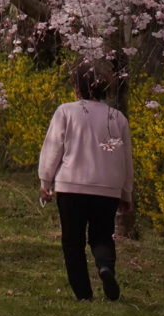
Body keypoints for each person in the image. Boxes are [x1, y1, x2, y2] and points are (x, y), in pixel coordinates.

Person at [39, 60, 136, 302]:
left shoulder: (66, 111)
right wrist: (126, 193)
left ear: (78, 86)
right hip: (108, 188)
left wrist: (45, 181)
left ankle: (84, 295)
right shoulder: (117, 118)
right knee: (102, 235)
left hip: (72, 185)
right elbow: (126, 159)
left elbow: (53, 149)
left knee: (73, 241)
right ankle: (105, 267)